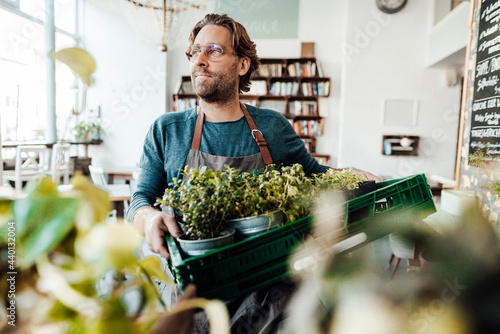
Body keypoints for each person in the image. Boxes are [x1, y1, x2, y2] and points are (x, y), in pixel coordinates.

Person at [126, 13, 381, 333]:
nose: (200, 60)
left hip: (265, 294)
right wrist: (149, 219)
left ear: (242, 65)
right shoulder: (167, 130)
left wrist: (360, 176)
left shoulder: (273, 127)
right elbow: (140, 199)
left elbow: (316, 175)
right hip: (192, 293)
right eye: (195, 52)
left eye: (214, 51)